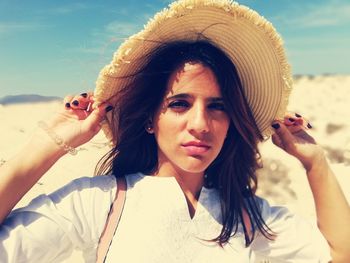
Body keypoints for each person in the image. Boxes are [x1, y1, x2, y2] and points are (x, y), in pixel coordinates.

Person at [1, 0, 349, 262]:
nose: (200, 124)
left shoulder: (244, 215)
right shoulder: (100, 202)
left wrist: (315, 162)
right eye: (179, 104)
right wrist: (49, 142)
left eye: (218, 106)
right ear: (151, 119)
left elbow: (337, 254)